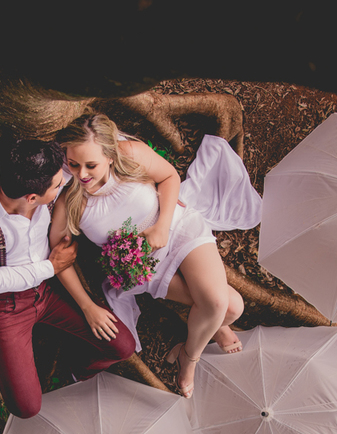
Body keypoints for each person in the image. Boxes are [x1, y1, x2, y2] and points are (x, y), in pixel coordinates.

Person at [52, 113, 259, 398]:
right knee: (229, 307)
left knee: (225, 306)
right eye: (74, 164)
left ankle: (189, 356)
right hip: (142, 265)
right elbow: (60, 260)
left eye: (91, 165)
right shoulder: (70, 201)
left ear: (110, 156)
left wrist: (162, 225)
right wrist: (87, 306)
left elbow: (169, 176)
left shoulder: (130, 154)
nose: (82, 174)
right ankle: (210, 328)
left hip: (177, 227)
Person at [0, 139, 135, 419]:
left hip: (47, 291)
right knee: (26, 408)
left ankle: (76, 372)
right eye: (57, 186)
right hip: (5, 308)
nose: (65, 182)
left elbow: (98, 152)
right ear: (31, 198)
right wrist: (51, 267)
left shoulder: (39, 171)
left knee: (122, 346)